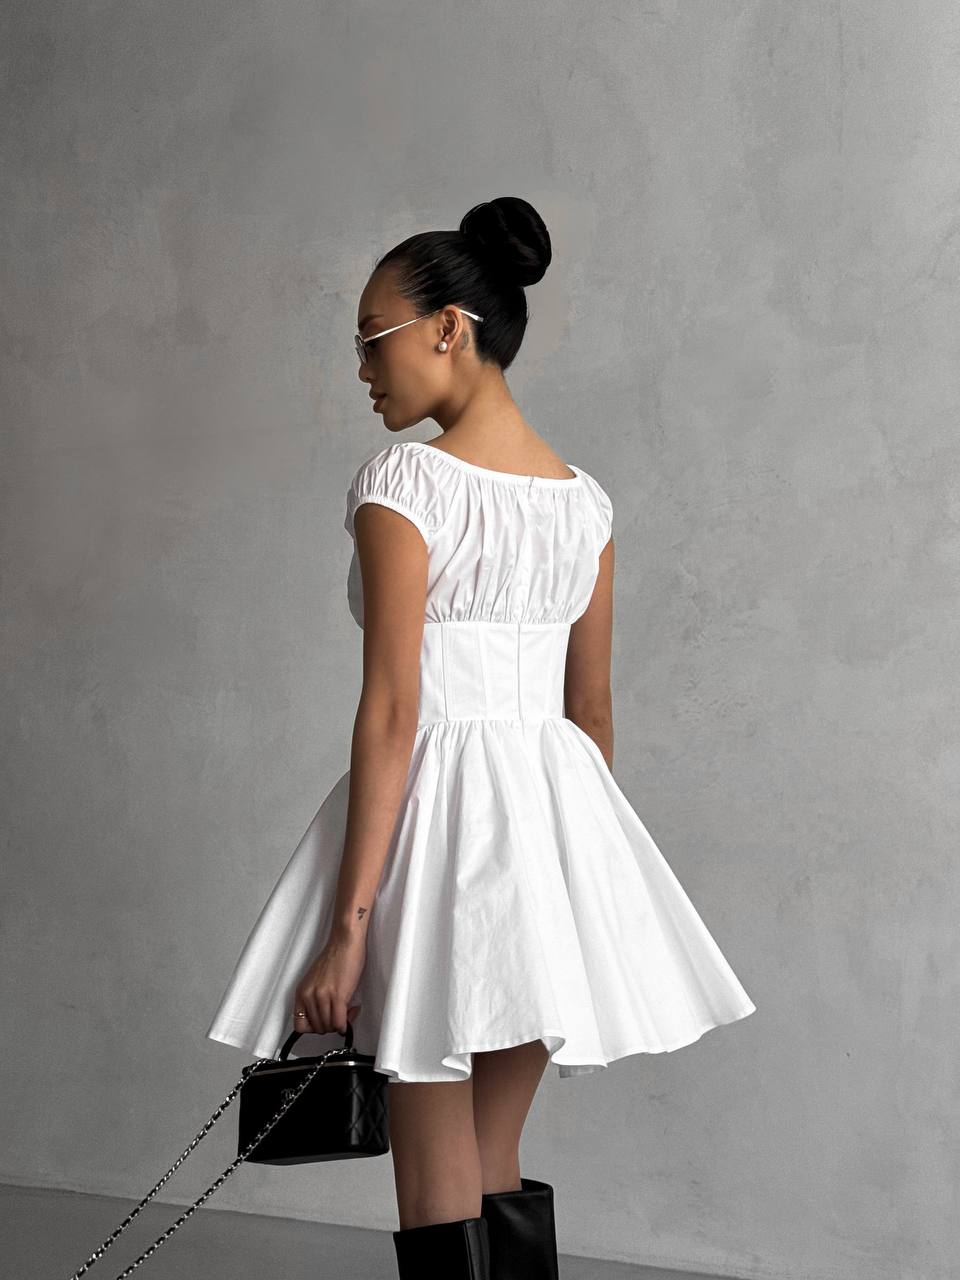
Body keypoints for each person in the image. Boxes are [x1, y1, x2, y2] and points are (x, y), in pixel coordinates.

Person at [205, 196, 756, 1279]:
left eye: (375, 338)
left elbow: (395, 712)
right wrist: (574, 884)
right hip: (549, 839)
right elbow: (589, 716)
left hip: (432, 831)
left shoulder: (406, 485)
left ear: (449, 328)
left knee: (434, 1176)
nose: (364, 366)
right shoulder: (583, 505)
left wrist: (348, 928)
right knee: (492, 1154)